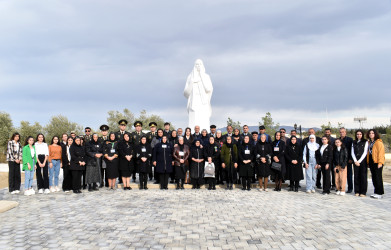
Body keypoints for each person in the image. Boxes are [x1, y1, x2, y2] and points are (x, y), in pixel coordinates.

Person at [367, 129, 385, 199]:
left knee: (378, 177)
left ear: (375, 134)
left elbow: (381, 153)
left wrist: (380, 162)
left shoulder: (378, 142)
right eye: (370, 133)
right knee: (374, 177)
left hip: (377, 161)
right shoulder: (370, 142)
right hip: (372, 161)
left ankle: (379, 193)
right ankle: (376, 192)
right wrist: (368, 162)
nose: (371, 134)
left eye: (372, 133)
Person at [351, 130, 368, 197]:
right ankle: (357, 191)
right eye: (357, 134)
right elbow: (352, 152)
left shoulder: (365, 141)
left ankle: (363, 192)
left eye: (360, 134)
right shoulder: (354, 142)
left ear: (362, 135)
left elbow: (365, 152)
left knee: (363, 176)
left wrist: (359, 161)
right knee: (356, 176)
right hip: (355, 161)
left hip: (362, 161)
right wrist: (355, 161)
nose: (359, 135)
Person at [339, 127, 354, 193]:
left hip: (348, 160)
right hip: (340, 160)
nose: (342, 133)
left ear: (345, 132)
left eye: (343, 132)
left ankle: (350, 188)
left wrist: (351, 158)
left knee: (349, 174)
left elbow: (352, 150)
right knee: (340, 175)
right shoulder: (338, 140)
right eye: (340, 132)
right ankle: (340, 187)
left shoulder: (350, 139)